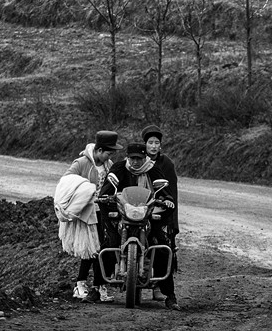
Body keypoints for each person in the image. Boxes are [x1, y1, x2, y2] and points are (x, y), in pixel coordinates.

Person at [101, 142, 181, 310]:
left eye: (139, 158)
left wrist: (167, 199)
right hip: (123, 215)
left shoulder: (152, 169)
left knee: (162, 246)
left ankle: (170, 295)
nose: (136, 162)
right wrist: (106, 196)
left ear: (145, 158)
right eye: (132, 158)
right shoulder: (119, 167)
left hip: (147, 216)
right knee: (108, 243)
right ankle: (96, 287)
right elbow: (109, 185)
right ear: (127, 158)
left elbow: (162, 187)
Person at [55, 130, 123, 303]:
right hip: (87, 213)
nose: (110, 156)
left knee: (103, 247)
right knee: (90, 249)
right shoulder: (81, 163)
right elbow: (66, 182)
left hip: (103, 212)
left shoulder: (108, 165)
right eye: (108, 152)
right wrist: (85, 192)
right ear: (99, 150)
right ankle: (82, 284)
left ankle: (98, 285)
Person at [141, 124, 180, 302]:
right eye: (150, 142)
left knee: (160, 248)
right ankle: (137, 282)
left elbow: (172, 193)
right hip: (139, 210)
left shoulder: (166, 164)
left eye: (157, 142)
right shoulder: (137, 161)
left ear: (161, 145)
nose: (154, 146)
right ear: (145, 144)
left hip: (160, 212)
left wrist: (172, 221)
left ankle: (158, 286)